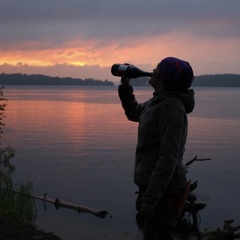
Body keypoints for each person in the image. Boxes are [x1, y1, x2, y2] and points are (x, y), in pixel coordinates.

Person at [118, 57, 195, 240]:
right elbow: (134, 112)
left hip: (164, 192)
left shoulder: (171, 107)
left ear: (164, 78)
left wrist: (151, 198)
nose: (152, 69)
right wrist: (125, 84)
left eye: (157, 68)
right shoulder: (158, 102)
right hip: (153, 188)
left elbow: (168, 158)